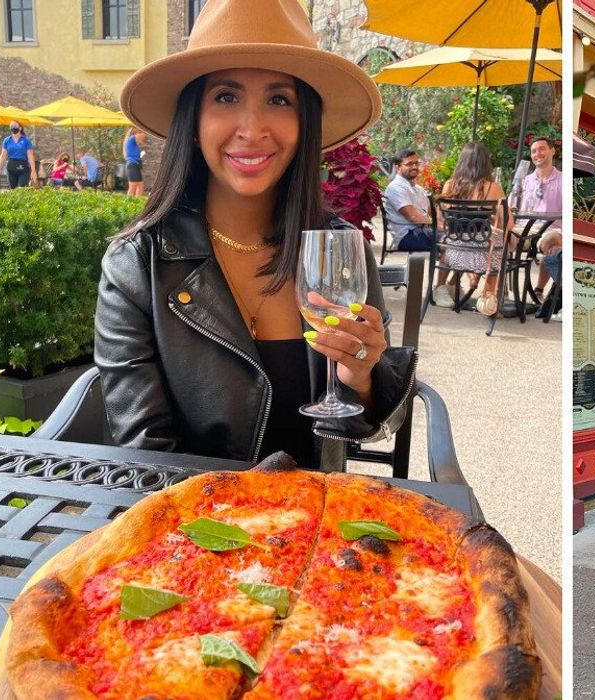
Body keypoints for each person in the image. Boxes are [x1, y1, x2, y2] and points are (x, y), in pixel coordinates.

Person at [95, 0, 410, 468]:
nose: (253, 128)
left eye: (279, 100)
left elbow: (360, 425)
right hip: (194, 526)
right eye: (226, 96)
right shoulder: (136, 266)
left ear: (305, 123)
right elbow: (146, 452)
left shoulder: (340, 251)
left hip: (321, 521)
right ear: (193, 119)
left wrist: (360, 375)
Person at [433, 141, 512, 312]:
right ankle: (489, 296)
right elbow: (509, 223)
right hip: (481, 257)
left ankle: (440, 287)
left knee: (453, 236)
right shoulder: (493, 188)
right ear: (486, 163)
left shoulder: (450, 185)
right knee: (501, 240)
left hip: (451, 254)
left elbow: (444, 220)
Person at [518, 136, 563, 299]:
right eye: (534, 151)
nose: (537, 154)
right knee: (502, 238)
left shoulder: (564, 180)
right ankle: (496, 293)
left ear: (552, 151)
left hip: (551, 228)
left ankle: (540, 290)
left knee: (553, 243)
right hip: (523, 227)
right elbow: (512, 205)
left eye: (542, 149)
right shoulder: (523, 180)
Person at [382, 148, 437, 252]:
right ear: (398, 167)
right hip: (408, 237)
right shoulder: (395, 187)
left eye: (416, 163)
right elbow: (414, 217)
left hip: (422, 232)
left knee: (456, 242)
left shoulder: (419, 189)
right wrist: (438, 226)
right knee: (452, 243)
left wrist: (446, 224)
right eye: (409, 164)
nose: (415, 167)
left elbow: (433, 213)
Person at [0, 120, 37, 189]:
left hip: (23, 168)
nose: (13, 128)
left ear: (20, 128)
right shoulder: (7, 140)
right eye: (11, 126)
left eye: (14, 126)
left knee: (21, 189)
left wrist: (33, 171)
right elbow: (3, 155)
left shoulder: (26, 140)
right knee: (13, 189)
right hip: (11, 167)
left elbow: (30, 156)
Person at [124, 127, 147, 196]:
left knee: (140, 185)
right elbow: (143, 135)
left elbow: (126, 156)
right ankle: (128, 204)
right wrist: (142, 127)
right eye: (138, 132)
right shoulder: (131, 139)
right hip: (132, 165)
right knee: (133, 186)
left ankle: (137, 202)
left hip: (135, 165)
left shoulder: (131, 143)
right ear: (135, 133)